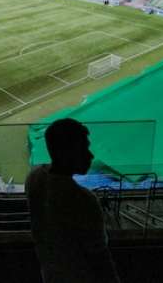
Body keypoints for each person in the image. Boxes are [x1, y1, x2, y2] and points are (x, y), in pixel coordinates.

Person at [25, 118, 121, 283]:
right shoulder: (84, 200)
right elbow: (100, 259)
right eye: (83, 149)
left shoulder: (34, 178)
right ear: (66, 153)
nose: (90, 155)